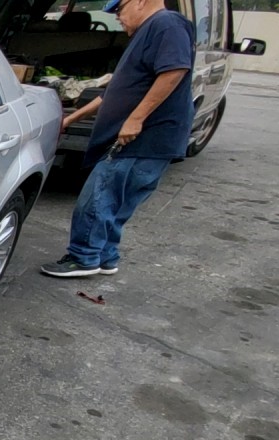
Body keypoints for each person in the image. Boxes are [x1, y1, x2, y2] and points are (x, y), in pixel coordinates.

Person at [40, 0, 195, 278]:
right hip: (145, 140)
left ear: (140, 1)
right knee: (116, 202)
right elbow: (112, 92)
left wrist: (136, 118)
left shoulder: (166, 24)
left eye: (119, 10)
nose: (117, 18)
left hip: (145, 138)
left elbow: (174, 71)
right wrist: (71, 119)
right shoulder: (148, 32)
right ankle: (106, 256)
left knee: (97, 198)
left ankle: (83, 257)